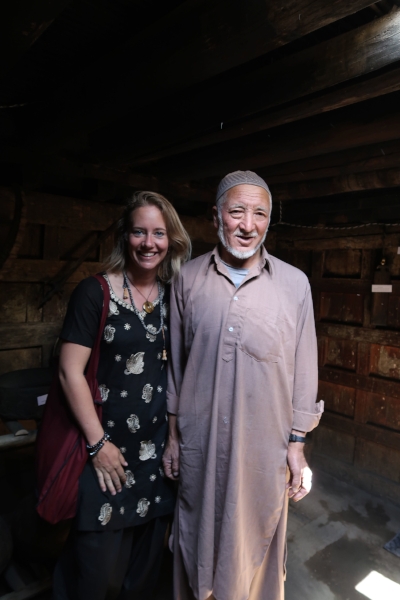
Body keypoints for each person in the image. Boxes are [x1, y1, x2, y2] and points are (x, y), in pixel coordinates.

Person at [162, 171, 324, 600]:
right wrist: (174, 437)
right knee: (196, 533)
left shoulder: (294, 285)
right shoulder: (189, 279)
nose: (247, 225)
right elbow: (176, 368)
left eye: (259, 214)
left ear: (269, 222)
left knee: (255, 538)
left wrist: (296, 444)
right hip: (200, 443)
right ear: (217, 217)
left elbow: (304, 369)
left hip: (264, 447)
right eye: (237, 212)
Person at [52, 191, 191, 600]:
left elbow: (178, 373)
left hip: (155, 461)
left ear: (172, 240)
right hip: (105, 457)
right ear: (124, 237)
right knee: (91, 578)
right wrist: (99, 445)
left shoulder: (175, 297)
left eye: (159, 233)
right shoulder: (95, 292)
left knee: (143, 578)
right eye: (139, 232)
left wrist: (175, 440)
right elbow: (68, 371)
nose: (149, 243)